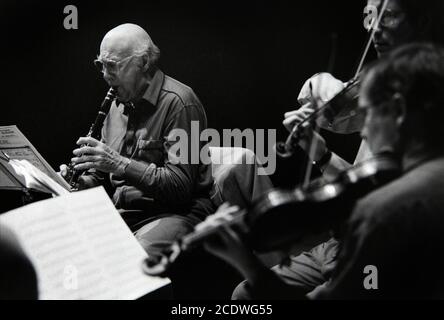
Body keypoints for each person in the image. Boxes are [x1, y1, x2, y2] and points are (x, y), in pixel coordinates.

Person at [212, 0, 444, 299]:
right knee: (245, 295)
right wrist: (320, 152)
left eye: (369, 113)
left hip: (363, 249)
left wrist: (246, 263)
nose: (363, 124)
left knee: (249, 296)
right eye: (370, 17)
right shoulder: (415, 151)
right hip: (345, 242)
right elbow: (365, 184)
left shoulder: (383, 211)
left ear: (400, 110)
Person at [60, 24, 220, 298]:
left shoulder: (181, 103)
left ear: (144, 62)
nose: (105, 75)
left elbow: (180, 188)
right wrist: (77, 182)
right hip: (124, 213)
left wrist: (119, 163)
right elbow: (102, 179)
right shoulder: (115, 106)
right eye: (101, 65)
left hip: (175, 213)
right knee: (66, 256)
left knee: (130, 269)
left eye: (113, 66)